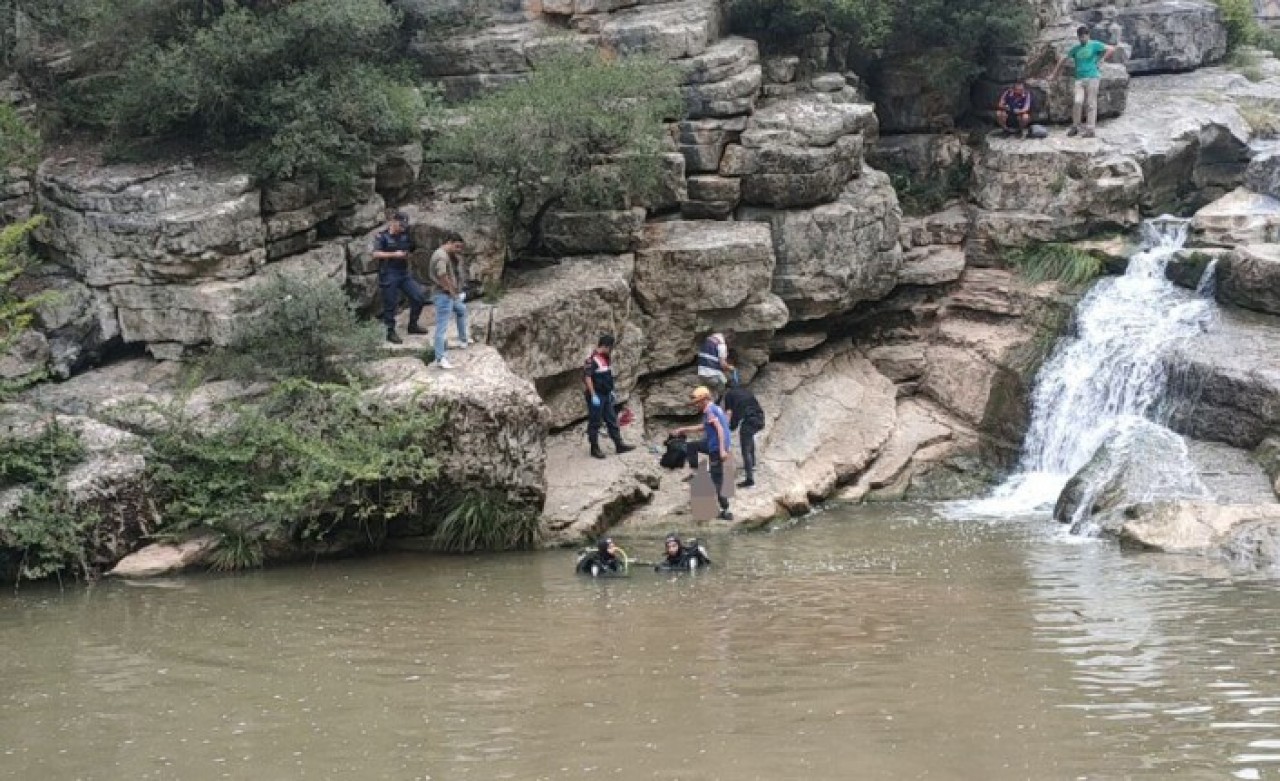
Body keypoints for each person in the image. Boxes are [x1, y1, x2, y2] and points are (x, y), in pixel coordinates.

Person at [671, 386, 733, 521]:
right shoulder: (714, 409)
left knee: (717, 481)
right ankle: (695, 472)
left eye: (697, 402)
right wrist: (684, 429)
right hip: (715, 446)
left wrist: (722, 450)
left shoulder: (710, 411)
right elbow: (704, 427)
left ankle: (725, 511)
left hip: (717, 449)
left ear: (704, 399)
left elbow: (720, 430)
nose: (696, 405)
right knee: (693, 447)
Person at [1050, 25, 1115, 139]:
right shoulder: (1076, 48)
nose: (1082, 39)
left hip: (1092, 77)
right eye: (1080, 37)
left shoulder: (1094, 44)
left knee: (1090, 103)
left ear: (1088, 36)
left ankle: (1090, 130)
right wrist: (1054, 74)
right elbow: (1063, 59)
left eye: (1084, 37)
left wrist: (1102, 60)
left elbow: (1111, 49)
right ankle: (1075, 126)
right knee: (1077, 101)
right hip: (1079, 79)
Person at [372, 212, 426, 346]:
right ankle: (390, 331)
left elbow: (412, 248)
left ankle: (413, 325)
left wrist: (408, 255)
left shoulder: (406, 235)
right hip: (389, 272)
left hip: (403, 272)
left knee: (418, 296)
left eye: (404, 226)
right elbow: (375, 254)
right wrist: (394, 255)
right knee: (390, 303)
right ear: (394, 221)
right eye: (401, 225)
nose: (403, 228)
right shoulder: (382, 236)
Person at [583, 334, 635, 460]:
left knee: (611, 420)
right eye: (610, 347)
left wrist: (610, 391)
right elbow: (587, 377)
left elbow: (606, 376)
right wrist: (594, 395)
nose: (611, 349)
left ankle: (619, 444)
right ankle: (594, 448)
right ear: (605, 346)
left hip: (606, 394)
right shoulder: (592, 360)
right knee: (595, 422)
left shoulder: (605, 358)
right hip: (597, 395)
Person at [427, 233, 471, 370]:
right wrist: (451, 291)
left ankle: (463, 340)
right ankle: (440, 358)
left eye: (460, 248)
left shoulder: (445, 254)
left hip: (448, 295)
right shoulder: (441, 256)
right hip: (443, 295)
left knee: (461, 310)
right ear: (449, 242)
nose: (458, 250)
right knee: (442, 327)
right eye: (457, 246)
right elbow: (442, 275)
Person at [722, 376, 764, 489]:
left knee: (745, 450)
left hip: (749, 421)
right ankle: (753, 464)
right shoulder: (746, 391)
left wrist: (730, 427)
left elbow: (730, 413)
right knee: (749, 438)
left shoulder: (729, 395)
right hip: (760, 418)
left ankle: (750, 480)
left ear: (727, 388)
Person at [696, 332, 734, 400]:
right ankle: (718, 403)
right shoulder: (721, 345)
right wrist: (730, 367)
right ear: (728, 339)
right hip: (711, 374)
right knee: (723, 385)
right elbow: (723, 364)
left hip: (701, 372)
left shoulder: (708, 339)